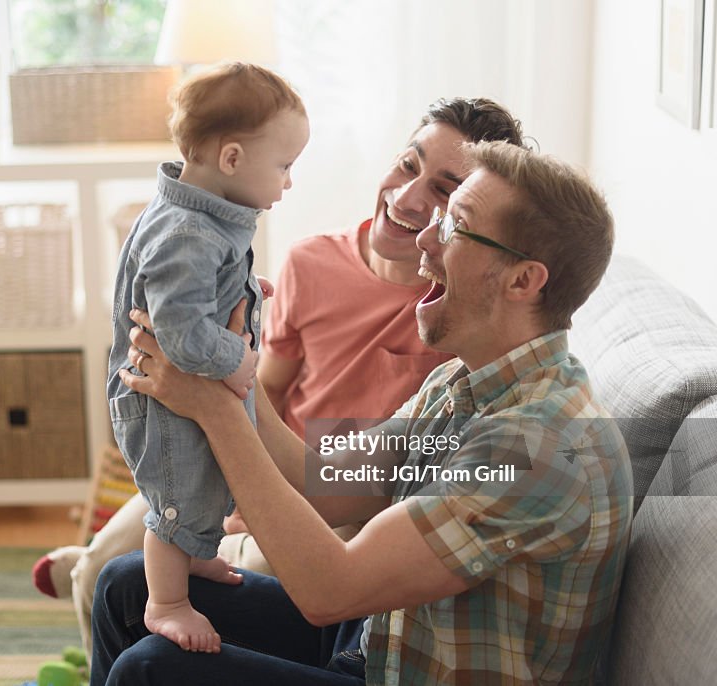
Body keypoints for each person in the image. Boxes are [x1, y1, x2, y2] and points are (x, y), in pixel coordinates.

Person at [92, 140, 633, 685]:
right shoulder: (464, 380)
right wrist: (227, 365)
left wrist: (214, 409)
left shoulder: (537, 448)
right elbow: (322, 483)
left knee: (151, 670)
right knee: (125, 586)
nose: (424, 237)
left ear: (523, 280)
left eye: (454, 227)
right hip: (378, 646)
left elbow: (332, 589)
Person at [33, 96, 530, 656]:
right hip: (250, 448)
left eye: (444, 190)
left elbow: (355, 486)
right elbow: (264, 386)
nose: (408, 197)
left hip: (338, 498)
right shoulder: (310, 261)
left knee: (215, 570)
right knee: (104, 570)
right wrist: (231, 447)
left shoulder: (452, 315)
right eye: (408, 165)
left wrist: (250, 477)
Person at [105, 61, 310, 653]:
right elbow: (182, 330)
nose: (289, 183)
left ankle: (192, 562)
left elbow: (195, 291)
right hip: (163, 405)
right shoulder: (189, 232)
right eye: (285, 166)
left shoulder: (200, 219)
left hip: (183, 397)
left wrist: (243, 289)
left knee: (204, 488)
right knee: (179, 496)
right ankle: (165, 601)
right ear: (232, 160)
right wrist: (237, 358)